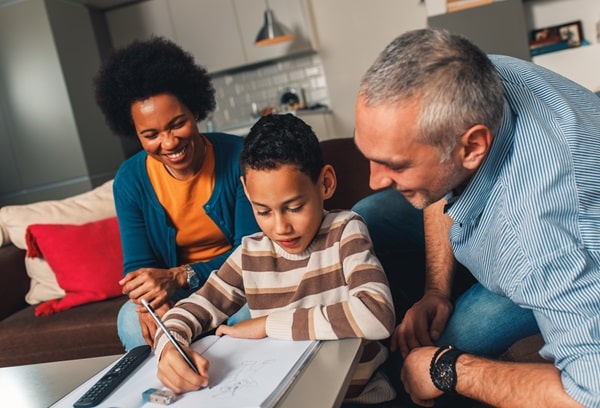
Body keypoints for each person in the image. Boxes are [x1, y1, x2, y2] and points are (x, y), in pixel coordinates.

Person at [354, 28, 600, 407]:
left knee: (457, 338)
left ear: (471, 147)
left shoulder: (537, 241)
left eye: (395, 165)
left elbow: (588, 395)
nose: (374, 179)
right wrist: (435, 290)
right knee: (368, 215)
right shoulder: (477, 72)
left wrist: (445, 368)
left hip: (567, 244)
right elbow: (446, 172)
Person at [154, 113, 397, 405]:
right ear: (247, 192)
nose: (280, 227)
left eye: (294, 207)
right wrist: (169, 347)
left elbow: (376, 315)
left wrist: (268, 325)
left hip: (357, 401)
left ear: (326, 183)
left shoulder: (345, 231)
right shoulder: (250, 253)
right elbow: (194, 308)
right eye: (263, 211)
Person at [93, 37, 260, 351]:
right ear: (134, 133)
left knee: (253, 310)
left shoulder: (240, 157)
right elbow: (138, 265)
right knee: (130, 320)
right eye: (151, 134)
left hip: (237, 285)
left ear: (195, 111)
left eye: (177, 124)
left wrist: (182, 276)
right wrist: (148, 303)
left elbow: (250, 253)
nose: (168, 143)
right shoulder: (130, 180)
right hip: (176, 294)